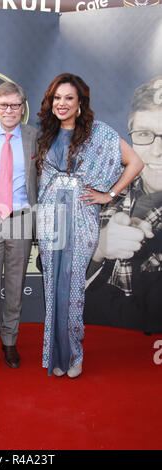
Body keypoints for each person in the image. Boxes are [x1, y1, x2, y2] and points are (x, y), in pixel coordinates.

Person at [37, 73, 143, 378]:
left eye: (69, 98)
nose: (62, 103)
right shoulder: (47, 132)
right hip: (50, 220)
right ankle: (56, 354)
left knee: (72, 286)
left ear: (80, 102)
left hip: (82, 218)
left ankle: (75, 354)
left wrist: (108, 194)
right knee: (52, 285)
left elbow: (135, 162)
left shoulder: (100, 134)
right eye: (57, 98)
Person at [85, 76, 162, 334]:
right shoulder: (105, 185)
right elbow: (49, 262)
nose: (157, 150)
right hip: (104, 346)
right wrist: (97, 247)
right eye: (144, 134)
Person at [0, 81, 38, 376]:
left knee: (14, 286)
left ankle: (10, 342)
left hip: (22, 217)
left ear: (22, 108)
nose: (9, 110)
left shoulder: (34, 136)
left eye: (14, 105)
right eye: (3, 105)